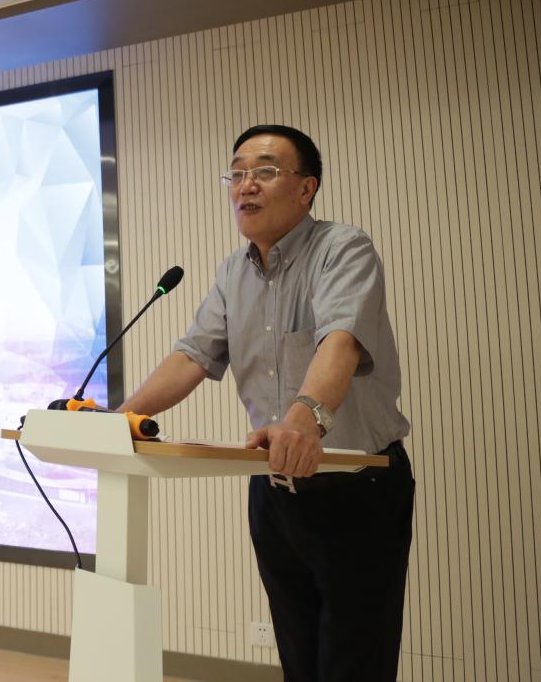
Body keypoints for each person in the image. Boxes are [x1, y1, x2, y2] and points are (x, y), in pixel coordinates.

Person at [116, 125, 414, 682]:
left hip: (356, 484)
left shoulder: (343, 248)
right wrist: (119, 420)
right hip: (274, 489)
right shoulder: (233, 271)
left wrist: (304, 421)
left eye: (265, 171)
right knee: (298, 656)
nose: (245, 185)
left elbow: (340, 342)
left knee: (355, 662)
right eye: (236, 173)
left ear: (306, 188)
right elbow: (192, 356)